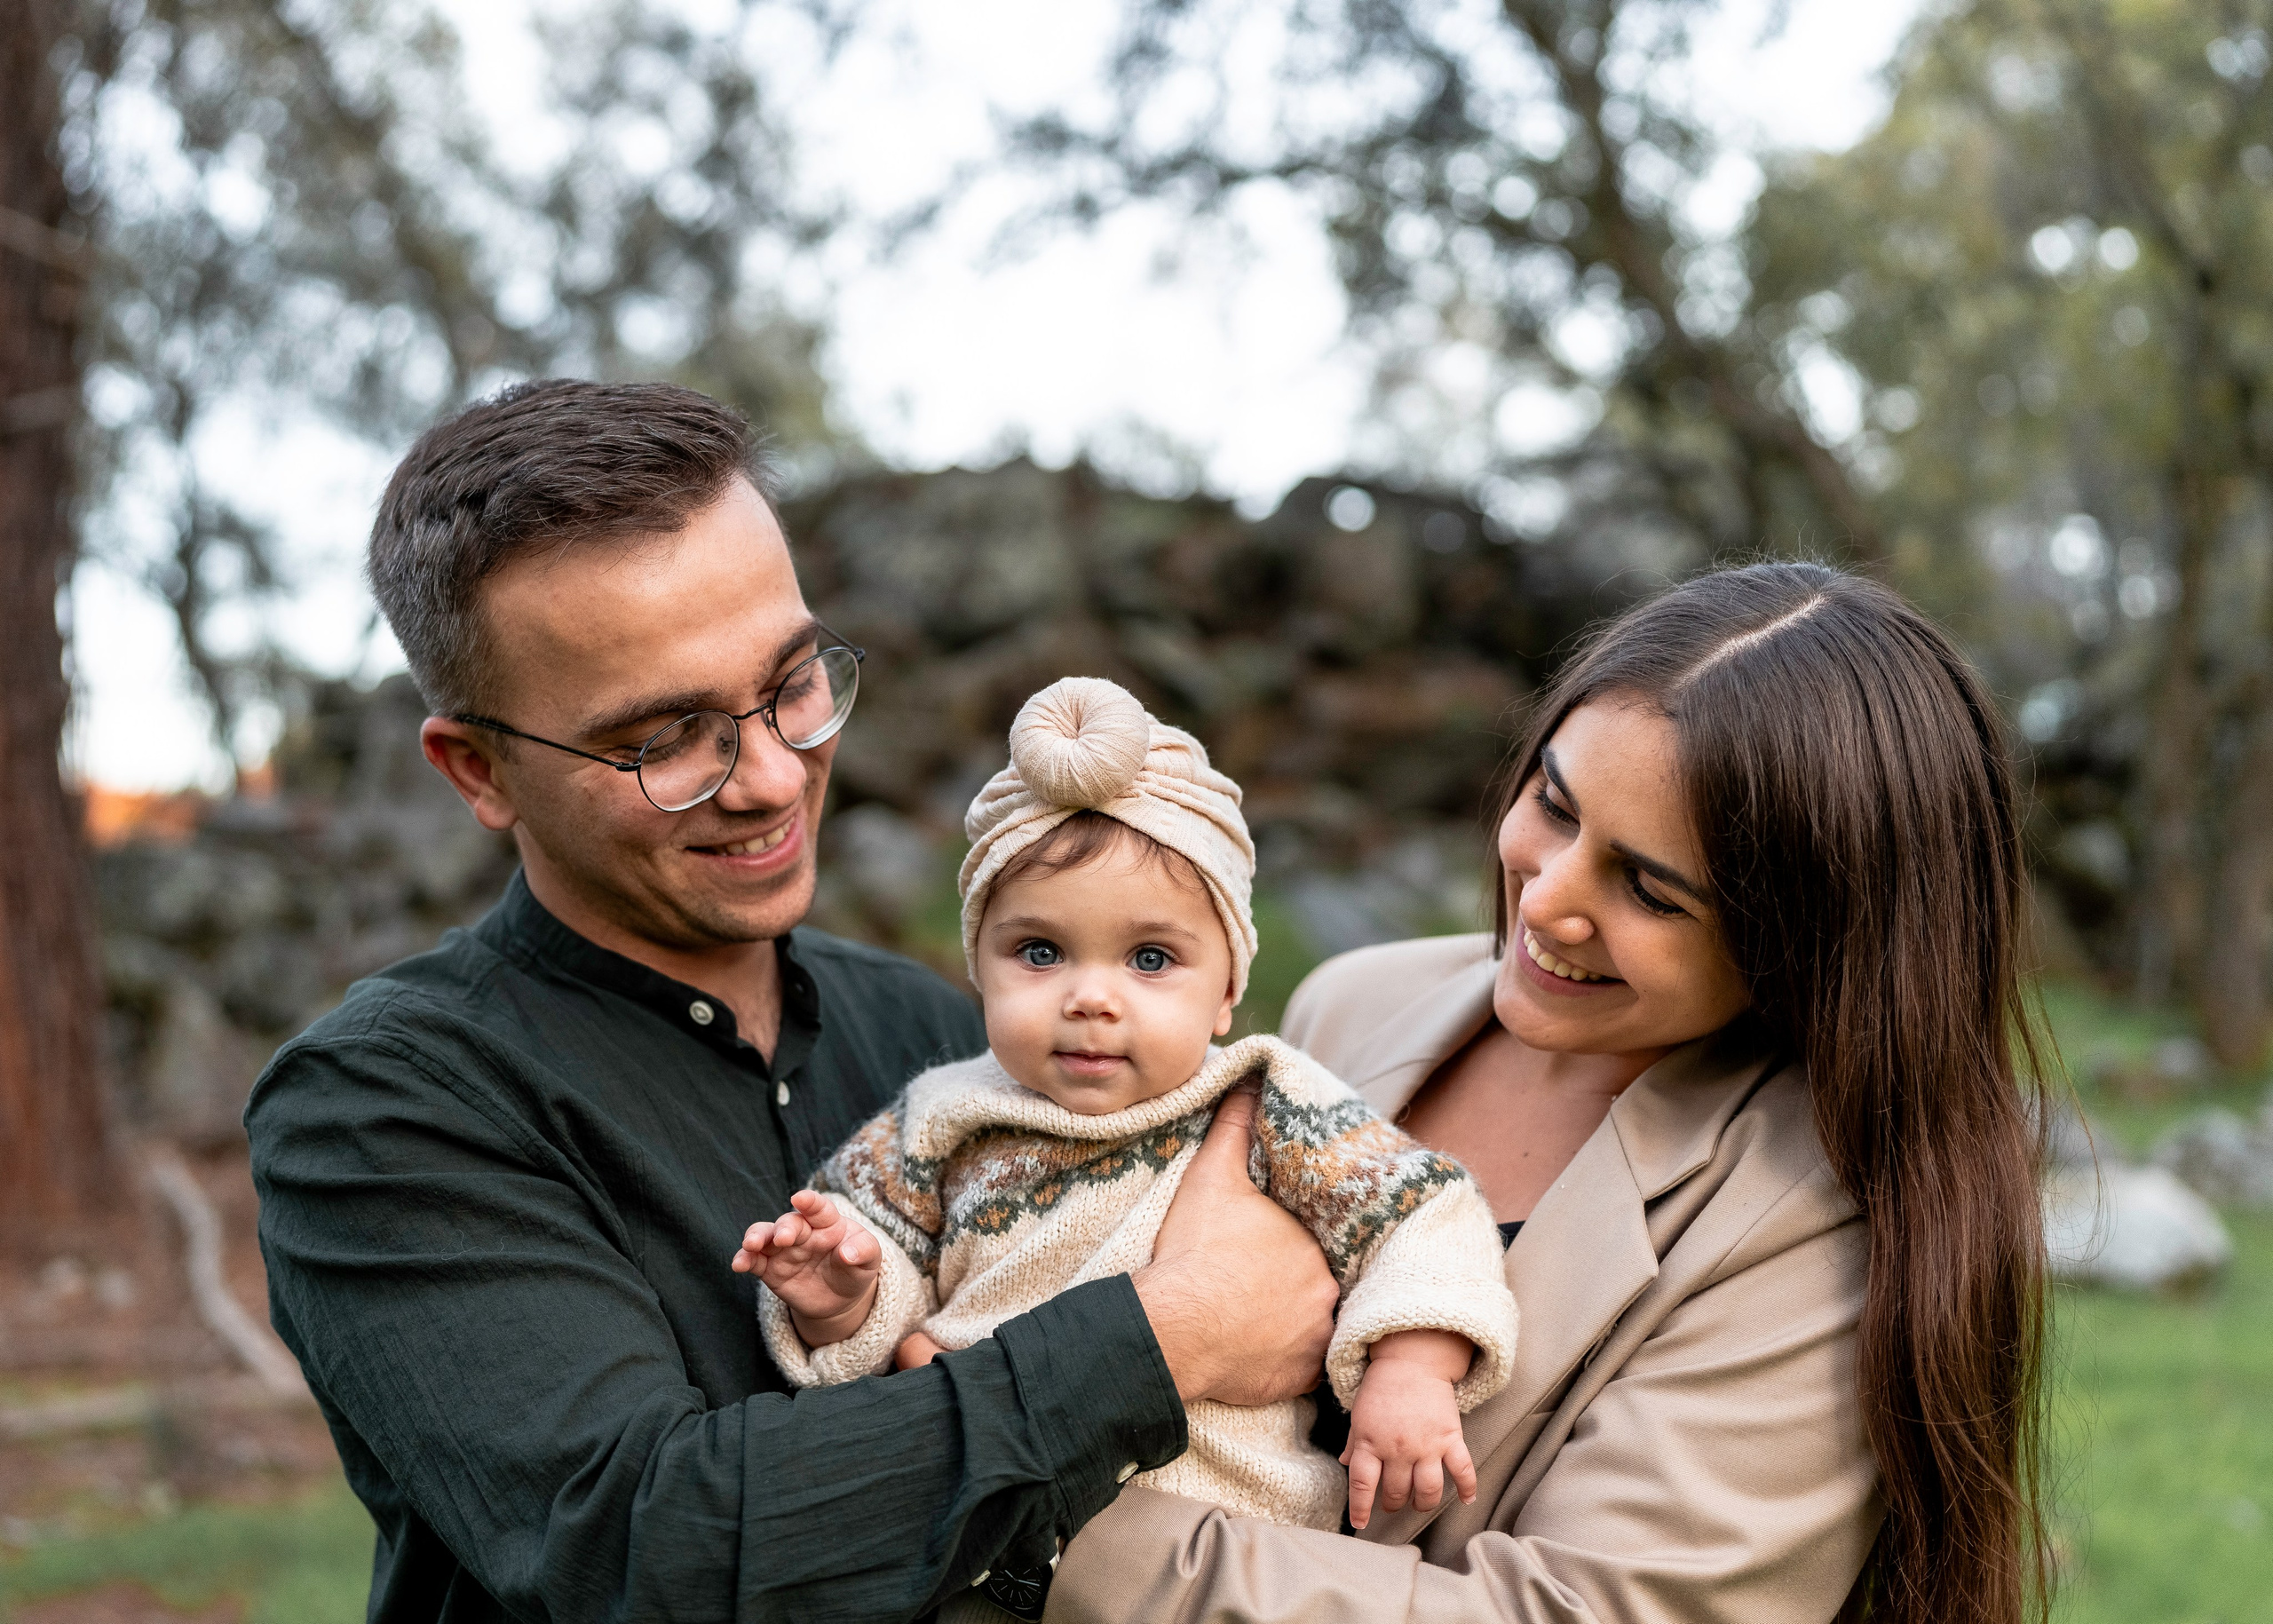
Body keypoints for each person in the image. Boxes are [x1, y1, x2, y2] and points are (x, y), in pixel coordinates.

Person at [244, 379, 1342, 1624]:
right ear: (479, 770)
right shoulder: (379, 1106)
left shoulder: (948, 1038)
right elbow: (643, 1547)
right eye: (665, 739)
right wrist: (1164, 1335)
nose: (770, 778)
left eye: (793, 682)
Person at [1047, 561, 2051, 1624]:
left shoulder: (1819, 1220)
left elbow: (1582, 1609)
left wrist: (1039, 1526)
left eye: (1650, 888)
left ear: (1807, 945)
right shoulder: (1355, 1006)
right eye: (1554, 806)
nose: (1549, 899)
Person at [735, 677, 1517, 1566]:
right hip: (987, 1537)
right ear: (979, 968)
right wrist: (846, 1299)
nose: (1091, 997)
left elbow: (1423, 1211)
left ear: (1226, 989)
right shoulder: (938, 1114)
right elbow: (887, 1275)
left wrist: (1413, 1362)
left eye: (1150, 958)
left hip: (1233, 1552)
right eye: (1040, 951)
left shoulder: (1266, 1098)